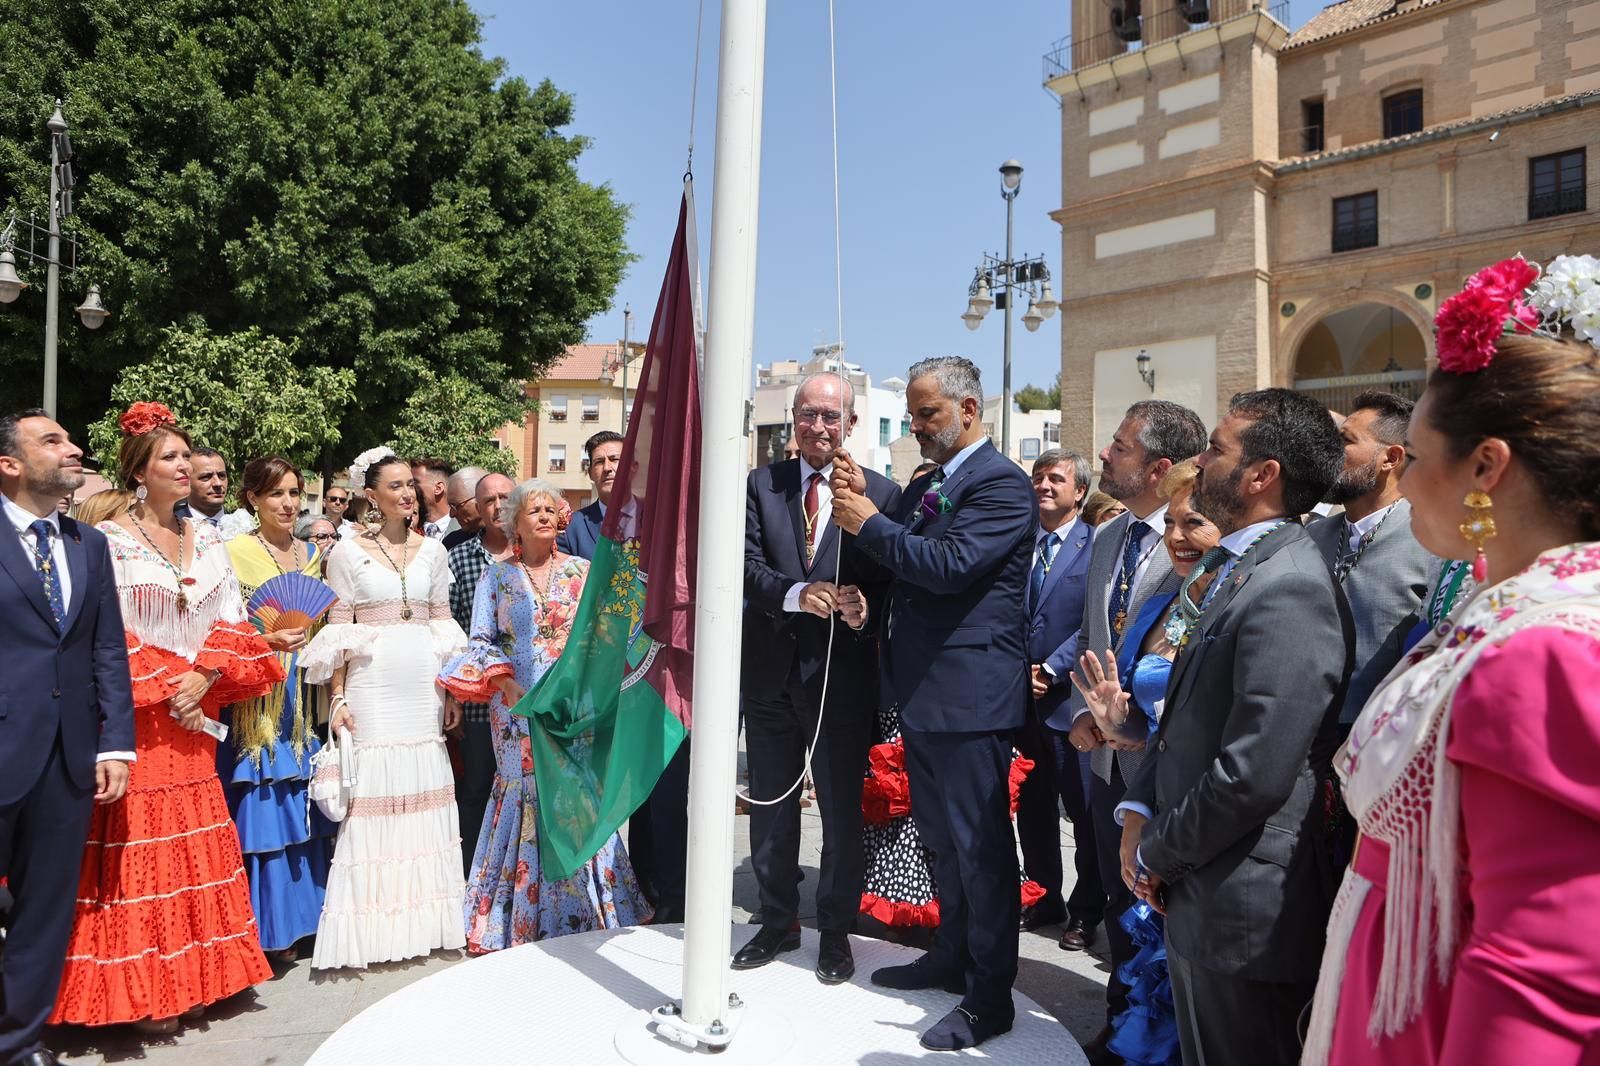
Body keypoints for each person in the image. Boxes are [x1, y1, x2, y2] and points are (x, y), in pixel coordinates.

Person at [1303, 255, 1600, 1066]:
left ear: (1486, 467)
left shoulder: (1544, 652)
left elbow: (1541, 983)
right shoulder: (1508, 608)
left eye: (1422, 453)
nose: (1407, 477)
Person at [1117, 388, 1353, 1066]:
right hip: (1208, 885)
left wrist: (1161, 850)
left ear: (1261, 476)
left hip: (1242, 907)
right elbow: (1190, 714)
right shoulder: (1241, 567)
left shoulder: (1290, 586)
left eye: (1217, 449)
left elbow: (1253, 771)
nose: (1200, 460)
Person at [52, 403, 279, 1034]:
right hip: (139, 714)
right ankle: (146, 988)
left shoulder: (209, 539)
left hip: (196, 712)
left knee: (198, 834)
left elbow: (234, 621)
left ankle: (198, 977)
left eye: (187, 455)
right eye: (170, 458)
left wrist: (204, 674)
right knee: (138, 842)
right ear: (139, 473)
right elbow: (99, 630)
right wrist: (162, 681)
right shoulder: (108, 541)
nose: (185, 466)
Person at [831, 355, 1036, 1052]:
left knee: (981, 850)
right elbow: (916, 540)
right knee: (942, 844)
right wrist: (879, 503)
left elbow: (946, 567)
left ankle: (988, 999)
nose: (916, 426)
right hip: (923, 693)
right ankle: (951, 955)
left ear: (968, 411)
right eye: (914, 414)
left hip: (971, 699)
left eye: (927, 414)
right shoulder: (931, 481)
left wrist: (868, 524)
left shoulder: (1003, 485)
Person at [1056, 399, 1208, 1064]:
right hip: (1105, 770)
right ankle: (1122, 1027)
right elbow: (1099, 642)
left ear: (1159, 466)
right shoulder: (1109, 536)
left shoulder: (1199, 547)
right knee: (1119, 909)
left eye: (1119, 446)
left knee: (1162, 919)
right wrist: (1090, 718)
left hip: (1170, 776)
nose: (1105, 457)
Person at [736, 372, 900, 983]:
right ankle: (777, 921)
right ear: (792, 422)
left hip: (841, 678)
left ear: (852, 424)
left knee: (839, 812)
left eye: (832, 416)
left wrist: (864, 610)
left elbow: (893, 581)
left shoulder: (881, 491)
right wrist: (799, 593)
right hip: (772, 674)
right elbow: (747, 567)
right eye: (808, 415)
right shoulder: (761, 485)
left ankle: (835, 930)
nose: (819, 426)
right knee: (771, 809)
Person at [438, 478, 649, 950]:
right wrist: (507, 685)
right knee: (525, 794)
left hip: (574, 708)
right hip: (515, 706)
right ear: (515, 521)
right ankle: (520, 917)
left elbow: (610, 634)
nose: (545, 515)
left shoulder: (583, 571)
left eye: (551, 509)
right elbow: (481, 642)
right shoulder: (495, 577)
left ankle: (591, 909)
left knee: (577, 796)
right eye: (534, 509)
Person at [0, 410, 134, 1066]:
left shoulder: (90, 545)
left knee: (43, 912)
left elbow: (107, 648)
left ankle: (18, 1044)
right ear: (11, 463)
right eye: (52, 440)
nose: (73, 447)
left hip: (68, 759)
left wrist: (114, 742)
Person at [300, 451, 469, 969]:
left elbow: (444, 626)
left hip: (423, 687)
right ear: (370, 496)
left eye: (410, 486)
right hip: (373, 686)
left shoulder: (435, 553)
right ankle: (375, 928)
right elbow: (339, 633)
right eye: (394, 486)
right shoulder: (346, 554)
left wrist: (454, 691)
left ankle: (427, 922)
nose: (406, 494)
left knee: (425, 792)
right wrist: (340, 698)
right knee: (374, 796)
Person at [219, 457, 337, 963]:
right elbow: (219, 627)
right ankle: (272, 931)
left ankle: (313, 921)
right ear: (252, 499)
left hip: (304, 697)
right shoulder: (231, 553)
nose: (288, 504)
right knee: (268, 805)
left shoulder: (313, 554)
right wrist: (265, 638)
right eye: (276, 495)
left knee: (307, 807)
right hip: (258, 700)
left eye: (294, 494)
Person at [1308, 391, 1437, 734]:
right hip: (1305, 730)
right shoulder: (1313, 534)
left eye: (1345, 440)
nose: (1329, 452)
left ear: (1391, 458)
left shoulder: (1430, 539)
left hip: (1384, 737)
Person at [1015, 450, 1100, 951]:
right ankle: (1044, 896)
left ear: (1080, 491)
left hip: (1071, 701)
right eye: (1039, 477)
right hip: (1020, 700)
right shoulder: (1020, 542)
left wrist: (1050, 669)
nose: (1044, 485)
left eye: (1056, 479)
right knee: (1033, 806)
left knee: (1083, 811)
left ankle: (1087, 910)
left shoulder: (1096, 547)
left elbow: (1096, 618)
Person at [445, 471, 516, 874]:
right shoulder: (456, 559)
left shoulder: (538, 556)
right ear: (476, 508)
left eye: (506, 497)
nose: (498, 506)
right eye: (488, 500)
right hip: (475, 702)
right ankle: (472, 878)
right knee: (474, 791)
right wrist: (452, 696)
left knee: (526, 792)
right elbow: (447, 631)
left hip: (524, 699)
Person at [558, 430, 625, 560]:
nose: (607, 468)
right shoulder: (571, 528)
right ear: (590, 473)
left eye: (614, 459)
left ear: (632, 466)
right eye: (599, 462)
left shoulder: (653, 521)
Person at [441, 466, 488, 550]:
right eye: (450, 506)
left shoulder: (515, 538)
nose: (452, 514)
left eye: (455, 506)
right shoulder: (452, 545)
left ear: (479, 499)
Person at [411, 457, 457, 540]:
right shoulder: (408, 527)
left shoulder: (463, 528)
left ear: (438, 488)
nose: (409, 488)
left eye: (415, 482)